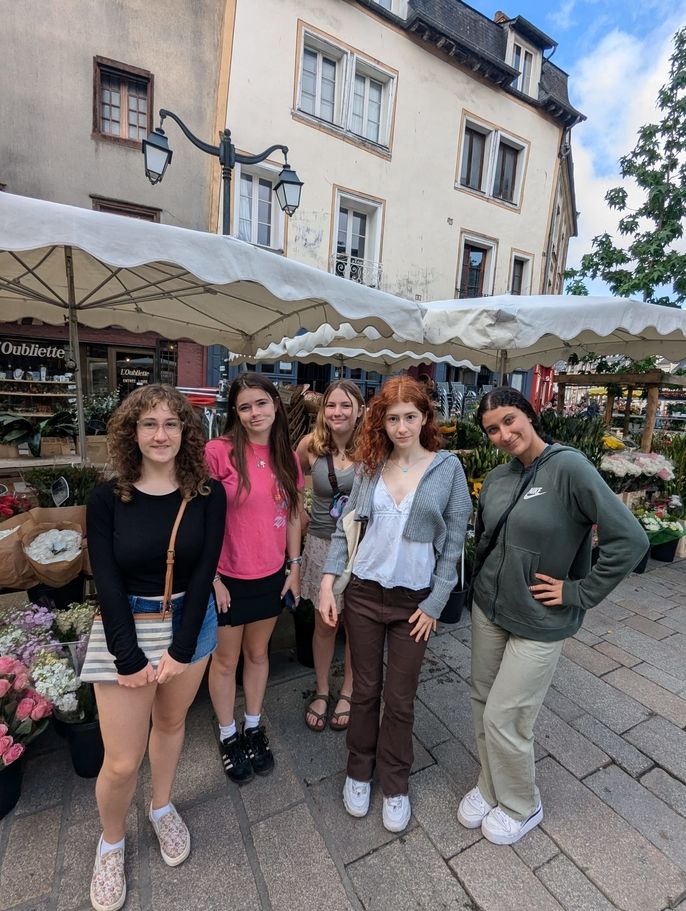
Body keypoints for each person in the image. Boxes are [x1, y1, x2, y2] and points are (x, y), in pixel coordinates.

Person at [457, 387, 649, 846]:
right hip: (489, 608)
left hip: (541, 619)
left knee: (508, 715)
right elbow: (486, 537)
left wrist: (579, 591)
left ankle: (523, 804)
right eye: (492, 430)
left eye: (509, 421)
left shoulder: (570, 467)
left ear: (529, 414)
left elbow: (631, 541)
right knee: (483, 701)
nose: (503, 434)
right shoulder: (499, 477)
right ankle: (490, 784)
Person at [87, 384, 226, 911]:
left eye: (171, 424)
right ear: (132, 432)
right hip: (127, 627)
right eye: (149, 424)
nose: (161, 434)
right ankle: (111, 842)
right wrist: (129, 656)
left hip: (190, 625)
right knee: (121, 761)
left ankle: (162, 806)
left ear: (186, 433)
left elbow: (205, 570)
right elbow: (107, 580)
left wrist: (183, 648)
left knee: (171, 726)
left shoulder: (209, 496)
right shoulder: (107, 499)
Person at [320, 377, 471, 833]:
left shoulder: (447, 469)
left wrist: (437, 603)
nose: (401, 426)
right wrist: (329, 583)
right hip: (364, 593)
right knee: (364, 690)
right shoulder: (370, 465)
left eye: (410, 416)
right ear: (380, 421)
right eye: (392, 418)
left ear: (425, 418)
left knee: (400, 698)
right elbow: (346, 529)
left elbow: (454, 544)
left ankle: (396, 782)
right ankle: (358, 770)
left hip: (414, 602)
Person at [205, 374, 303, 785]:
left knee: (259, 654)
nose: (253, 413)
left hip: (271, 575)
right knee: (226, 660)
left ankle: (252, 726)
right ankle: (228, 736)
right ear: (235, 412)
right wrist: (211, 577)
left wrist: (294, 567)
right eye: (244, 407)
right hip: (228, 576)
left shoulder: (287, 455)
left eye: (261, 403)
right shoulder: (218, 452)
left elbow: (295, 512)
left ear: (275, 405)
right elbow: (198, 517)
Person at [296, 380, 365, 732]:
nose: (338, 412)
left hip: (361, 550)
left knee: (356, 626)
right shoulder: (311, 445)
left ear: (359, 409)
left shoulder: (372, 448)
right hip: (323, 544)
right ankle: (322, 689)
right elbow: (289, 482)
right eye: (331, 405)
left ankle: (348, 691)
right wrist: (300, 512)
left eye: (345, 405)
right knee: (326, 624)